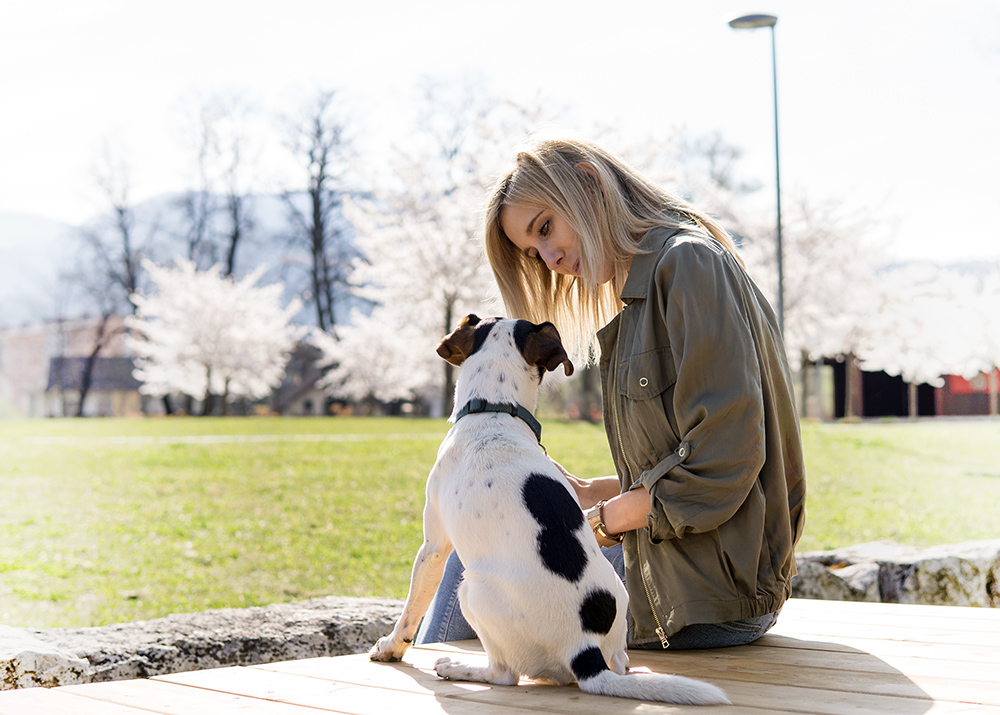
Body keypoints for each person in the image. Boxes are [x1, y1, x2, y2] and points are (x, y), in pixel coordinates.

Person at [416, 137, 806, 650]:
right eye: (534, 251)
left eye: (547, 227)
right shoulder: (653, 284)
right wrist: (587, 493)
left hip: (708, 591)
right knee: (492, 534)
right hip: (689, 570)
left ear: (589, 182)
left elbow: (723, 461)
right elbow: (682, 459)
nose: (551, 258)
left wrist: (596, 523)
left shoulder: (687, 264)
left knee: (491, 553)